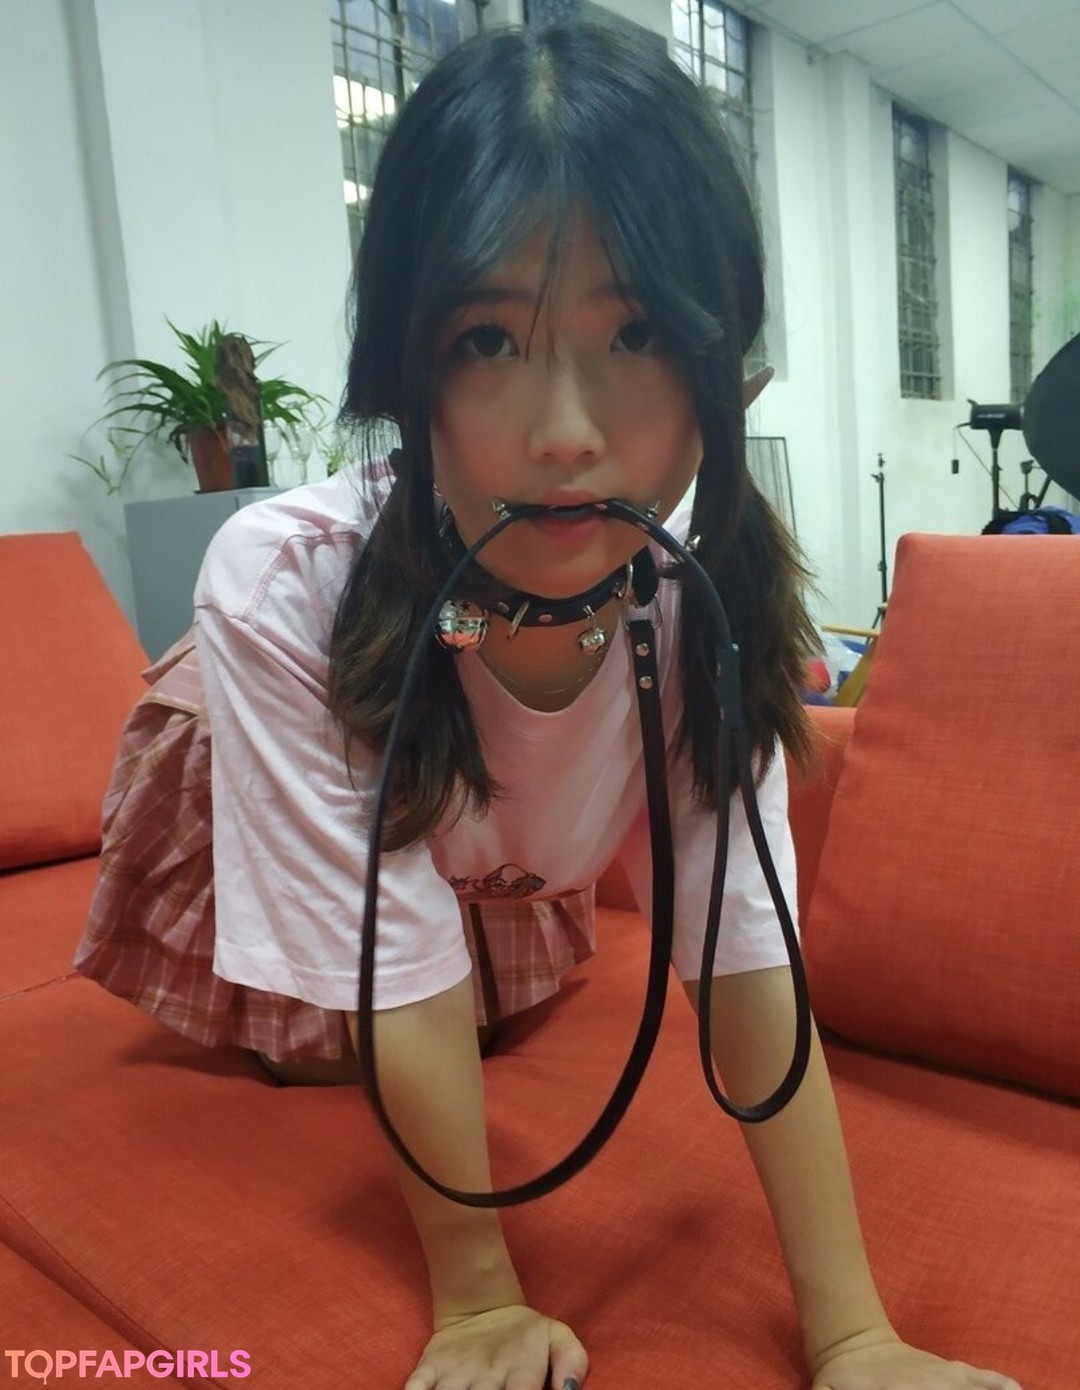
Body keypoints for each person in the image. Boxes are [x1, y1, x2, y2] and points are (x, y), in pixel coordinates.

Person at [76, 22, 1022, 1390]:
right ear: (405, 376)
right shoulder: (283, 587)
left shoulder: (697, 608)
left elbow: (745, 954)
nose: (566, 429)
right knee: (316, 1046)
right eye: (487, 339)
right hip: (268, 755)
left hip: (498, 841)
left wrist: (855, 1336)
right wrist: (478, 1299)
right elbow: (393, 967)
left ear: (725, 374)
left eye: (634, 331)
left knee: (479, 1002)